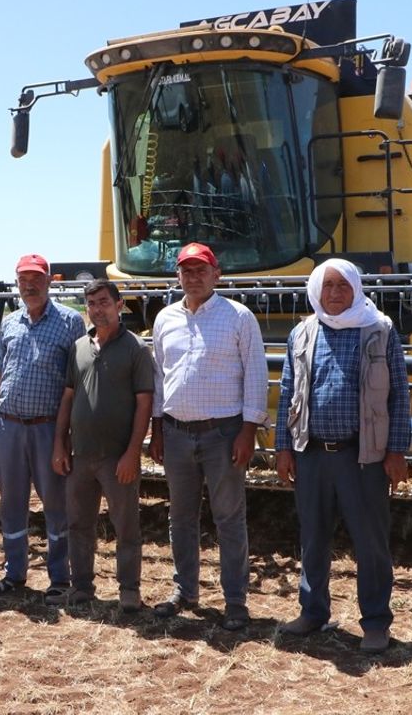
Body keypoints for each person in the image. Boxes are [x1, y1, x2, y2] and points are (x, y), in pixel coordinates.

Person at [273, 259, 411, 654]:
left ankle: (375, 622)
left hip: (362, 457)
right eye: (327, 286)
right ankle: (313, 612)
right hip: (312, 454)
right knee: (313, 538)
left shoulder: (379, 330)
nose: (334, 293)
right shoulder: (302, 332)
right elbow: (287, 392)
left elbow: (399, 396)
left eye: (342, 286)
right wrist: (284, 447)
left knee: (370, 543)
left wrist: (397, 451)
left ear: (356, 289)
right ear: (316, 290)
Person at [149, 243, 268, 631]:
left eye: (201, 269)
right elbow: (158, 378)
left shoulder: (238, 317)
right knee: (180, 517)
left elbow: (255, 375)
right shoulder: (165, 318)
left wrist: (248, 430)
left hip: (223, 432)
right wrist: (157, 427)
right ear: (178, 277)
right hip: (177, 432)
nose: (193, 276)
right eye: (186, 270)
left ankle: (235, 600)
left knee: (229, 517)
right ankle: (185, 590)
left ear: (217, 274)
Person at [0, 254, 86, 601]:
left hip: (48, 430)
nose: (29, 286)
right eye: (22, 279)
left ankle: (59, 577)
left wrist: (65, 436)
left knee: (56, 505)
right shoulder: (10, 323)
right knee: (11, 504)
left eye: (36, 279)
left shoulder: (71, 322)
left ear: (49, 281)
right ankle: (15, 574)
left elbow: (77, 382)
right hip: (9, 426)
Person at [50, 279, 155, 612]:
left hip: (117, 457)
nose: (98, 309)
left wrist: (132, 453)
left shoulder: (136, 349)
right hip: (80, 454)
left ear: (119, 305)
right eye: (92, 303)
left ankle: (128, 590)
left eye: (104, 302)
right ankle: (82, 587)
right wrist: (59, 444)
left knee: (125, 525)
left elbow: (144, 404)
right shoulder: (79, 347)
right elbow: (68, 398)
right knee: (79, 524)